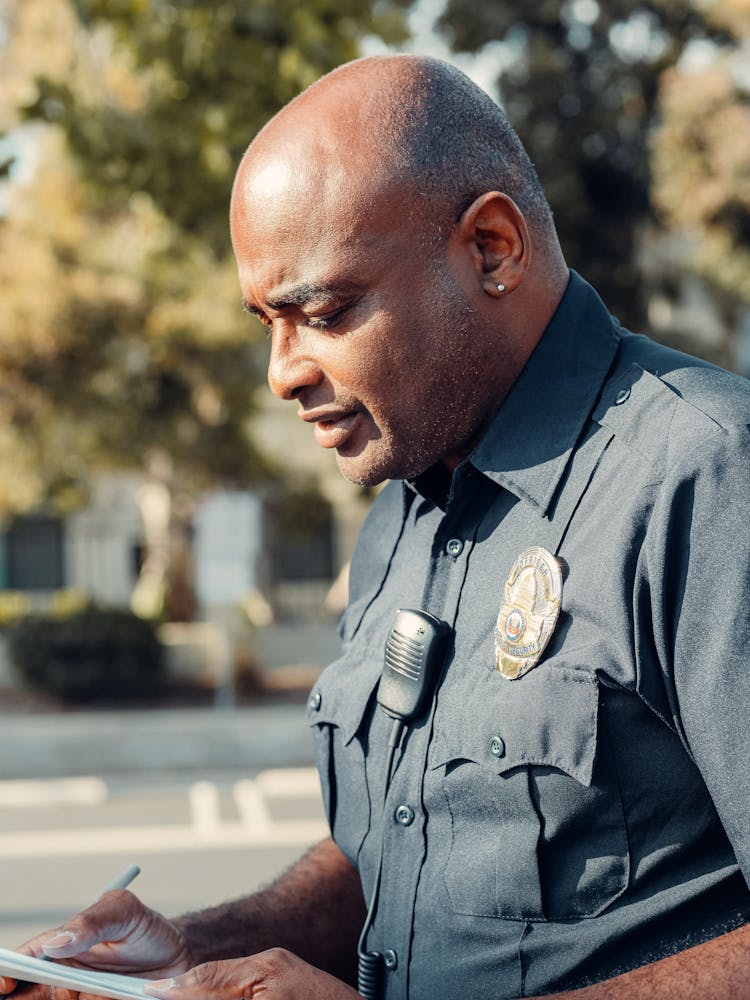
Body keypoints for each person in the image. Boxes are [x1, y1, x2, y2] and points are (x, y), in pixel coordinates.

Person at [3, 52, 750, 1000]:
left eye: (323, 310)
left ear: (491, 248)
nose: (282, 371)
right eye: (265, 322)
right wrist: (200, 947)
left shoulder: (709, 475)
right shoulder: (405, 497)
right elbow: (407, 855)